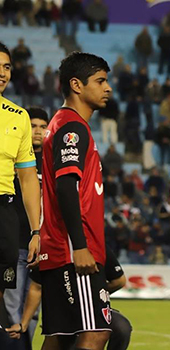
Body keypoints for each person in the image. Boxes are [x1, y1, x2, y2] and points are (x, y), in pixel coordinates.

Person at [38, 52, 113, 349]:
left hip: (62, 248)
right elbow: (66, 186)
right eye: (100, 81)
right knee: (96, 332)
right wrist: (80, 247)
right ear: (76, 85)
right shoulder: (72, 127)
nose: (108, 88)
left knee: (60, 337)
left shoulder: (61, 123)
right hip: (73, 251)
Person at [7, 247, 132, 350]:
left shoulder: (98, 247)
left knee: (121, 327)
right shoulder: (48, 250)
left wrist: (95, 297)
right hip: (59, 315)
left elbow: (119, 281)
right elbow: (36, 287)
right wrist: (24, 323)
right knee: (120, 328)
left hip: (91, 311)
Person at [0, 41, 41, 334]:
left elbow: (27, 178)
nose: (2, 73)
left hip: (5, 210)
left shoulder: (18, 116)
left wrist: (36, 230)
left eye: (6, 67)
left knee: (1, 290)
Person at [3, 107, 48, 350]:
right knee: (12, 309)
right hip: (15, 243)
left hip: (43, 246)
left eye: (43, 126)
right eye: (33, 126)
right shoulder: (13, 160)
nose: (38, 131)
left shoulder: (52, 161)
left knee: (32, 313)